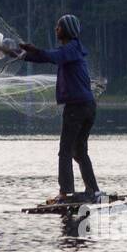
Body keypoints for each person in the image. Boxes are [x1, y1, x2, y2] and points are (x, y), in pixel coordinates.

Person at [17, 14, 100, 204]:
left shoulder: (70, 49)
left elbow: (52, 56)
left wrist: (35, 49)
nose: (56, 29)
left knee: (65, 152)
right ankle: (93, 191)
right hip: (88, 107)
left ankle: (66, 193)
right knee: (79, 151)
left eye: (59, 27)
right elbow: (45, 58)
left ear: (67, 30)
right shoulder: (73, 50)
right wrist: (17, 53)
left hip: (77, 108)